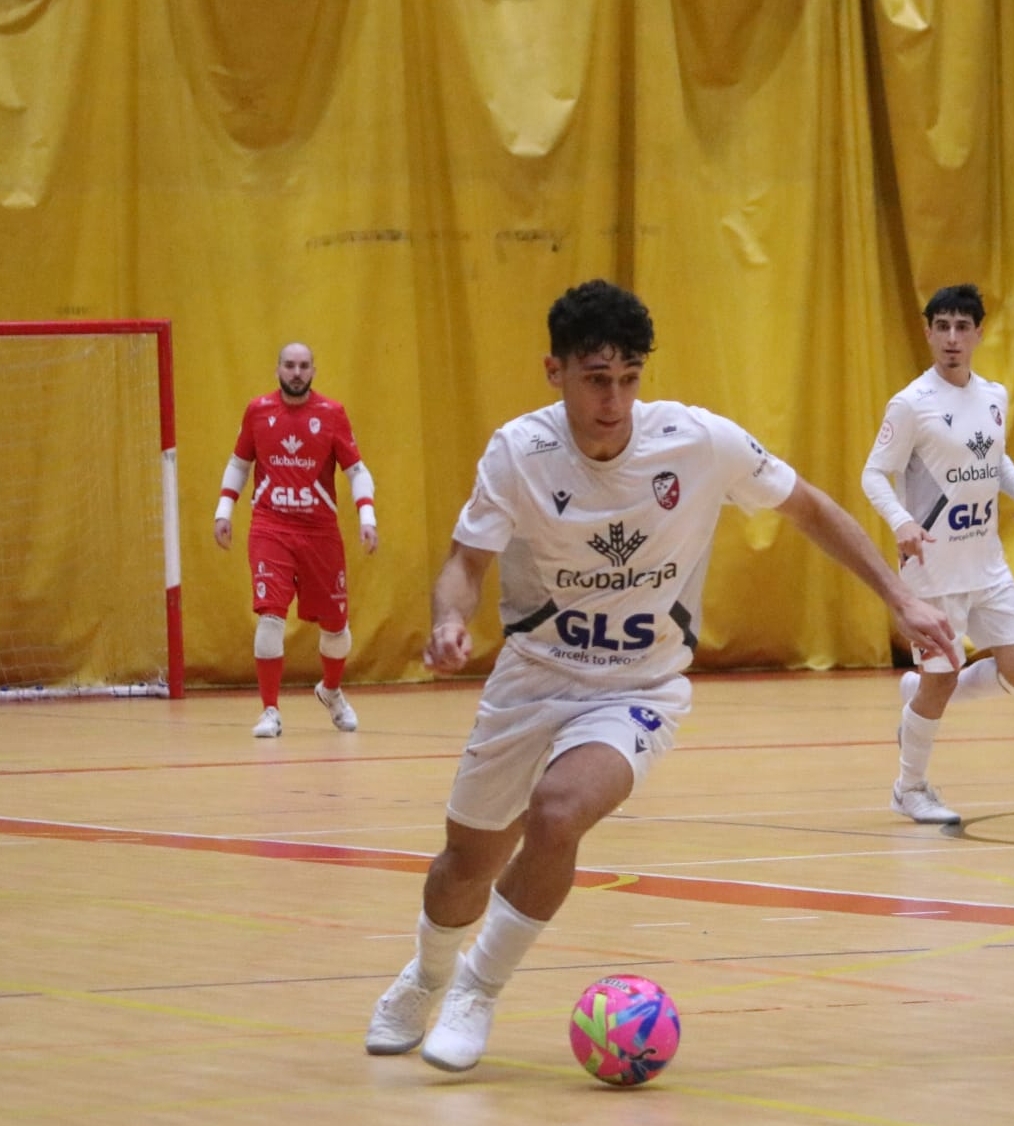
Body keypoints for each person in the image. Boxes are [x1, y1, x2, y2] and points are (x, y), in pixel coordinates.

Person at [365, 279, 959, 1073]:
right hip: (532, 680)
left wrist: (900, 598)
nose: (613, 400)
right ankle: (426, 976)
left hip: (637, 689)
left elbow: (811, 509)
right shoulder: (518, 452)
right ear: (554, 371)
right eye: (595, 379)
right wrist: (448, 620)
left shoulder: (698, 442)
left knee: (558, 813)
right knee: (460, 870)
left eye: (628, 378)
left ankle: (476, 988)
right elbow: (463, 564)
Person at [861, 283, 1014, 824]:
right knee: (941, 679)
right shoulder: (911, 404)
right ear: (928, 332)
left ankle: (918, 694)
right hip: (934, 572)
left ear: (979, 333)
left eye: (963, 327)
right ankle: (909, 787)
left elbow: (993, 455)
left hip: (986, 564)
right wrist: (902, 521)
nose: (952, 338)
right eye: (942, 326)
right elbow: (874, 474)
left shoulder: (994, 396)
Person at [213, 342, 377, 737]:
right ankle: (269, 710)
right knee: (270, 617)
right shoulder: (258, 411)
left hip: (320, 533)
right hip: (271, 527)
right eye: (289, 365)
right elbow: (239, 463)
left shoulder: (332, 414)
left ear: (314, 371)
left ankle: (331, 691)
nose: (297, 373)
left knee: (336, 629)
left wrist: (367, 517)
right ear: (278, 370)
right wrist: (224, 510)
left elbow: (356, 470)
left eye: (304, 366)